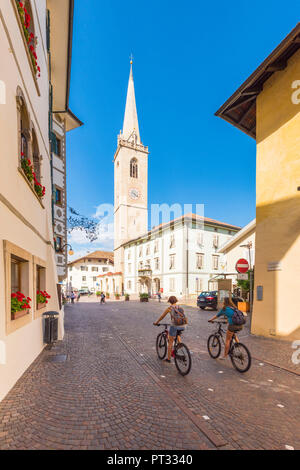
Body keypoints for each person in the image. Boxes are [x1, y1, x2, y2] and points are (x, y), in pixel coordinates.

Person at [153, 296, 187, 363]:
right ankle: (179, 344)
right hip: (183, 325)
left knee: (170, 342)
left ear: (169, 301)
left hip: (174, 325)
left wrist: (156, 322)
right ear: (176, 300)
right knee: (177, 334)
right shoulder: (180, 307)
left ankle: (168, 359)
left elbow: (162, 316)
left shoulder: (169, 308)